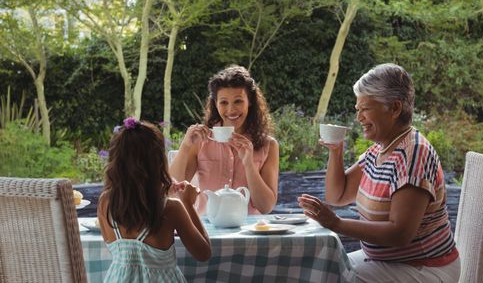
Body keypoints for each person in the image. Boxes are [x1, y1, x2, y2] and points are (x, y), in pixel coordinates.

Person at [298, 64, 460, 282]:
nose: (359, 118)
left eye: (365, 109)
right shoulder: (380, 149)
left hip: (423, 267)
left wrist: (336, 224)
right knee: (312, 269)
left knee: (327, 278)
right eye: (358, 110)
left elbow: (400, 234)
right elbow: (338, 195)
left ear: (394, 108)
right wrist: (335, 152)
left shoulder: (414, 154)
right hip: (386, 262)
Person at [97, 117, 211, 283]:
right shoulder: (171, 208)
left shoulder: (105, 202)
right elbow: (203, 253)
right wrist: (187, 203)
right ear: (158, 162)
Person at [170, 65, 279, 215]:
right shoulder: (201, 141)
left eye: (238, 101)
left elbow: (265, 207)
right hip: (208, 229)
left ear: (250, 101)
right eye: (224, 102)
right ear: (216, 104)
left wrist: (248, 164)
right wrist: (185, 147)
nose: (231, 109)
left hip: (249, 230)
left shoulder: (268, 145)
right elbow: (171, 190)